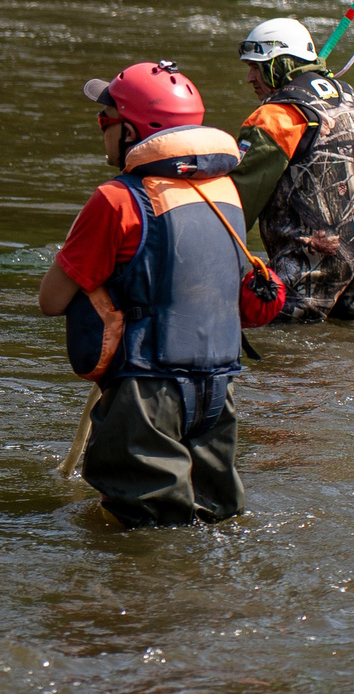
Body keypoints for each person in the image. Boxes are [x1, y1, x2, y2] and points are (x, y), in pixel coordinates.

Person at [38, 60, 284, 526]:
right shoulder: (226, 191)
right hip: (217, 393)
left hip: (146, 395)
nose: (101, 129)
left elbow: (50, 301)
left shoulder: (116, 199)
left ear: (132, 132)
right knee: (214, 523)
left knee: (145, 536)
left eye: (105, 120)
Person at [233, 16, 354, 324]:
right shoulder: (349, 97)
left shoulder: (274, 117)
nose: (250, 78)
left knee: (286, 351)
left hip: (314, 259)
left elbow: (236, 205)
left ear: (281, 66)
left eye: (256, 67)